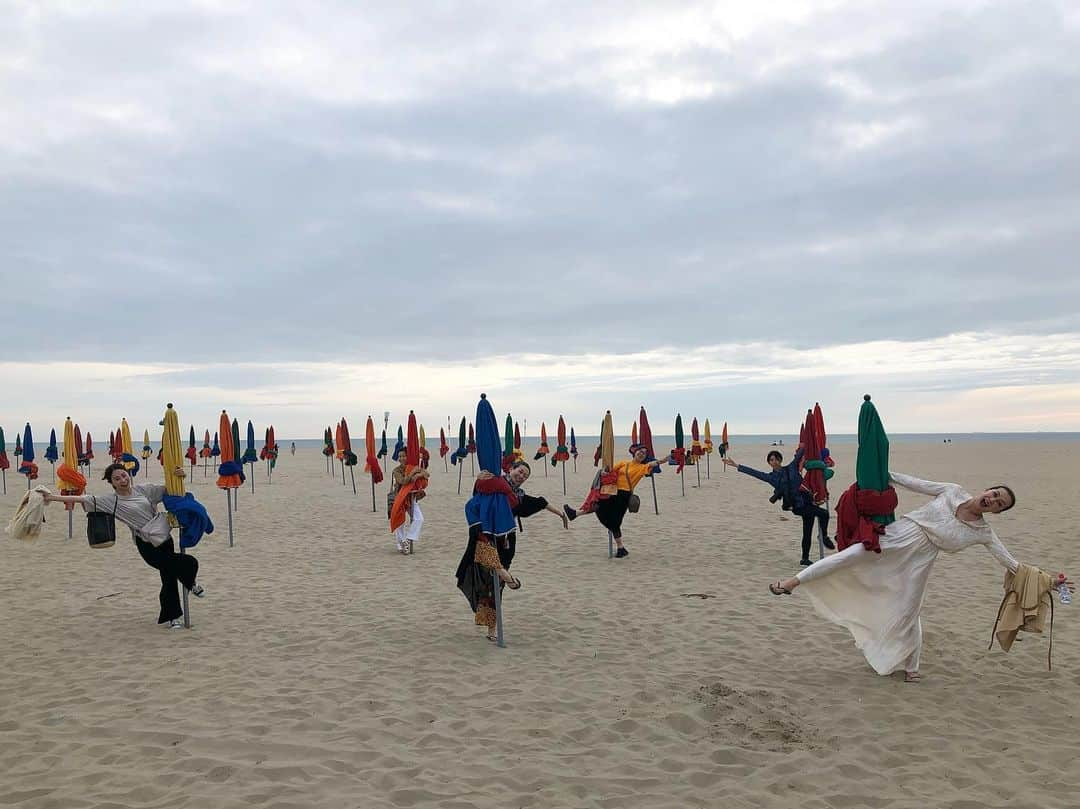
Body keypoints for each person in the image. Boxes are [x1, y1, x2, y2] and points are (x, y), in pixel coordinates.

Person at [767, 472, 1074, 682]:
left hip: (921, 560)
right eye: (994, 494)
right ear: (986, 490)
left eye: (999, 504)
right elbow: (916, 483)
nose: (993, 500)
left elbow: (1012, 564)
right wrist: (883, 472)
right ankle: (793, 582)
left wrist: (1051, 581)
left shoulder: (983, 533)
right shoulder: (952, 491)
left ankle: (911, 667)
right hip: (899, 535)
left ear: (997, 512)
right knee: (848, 558)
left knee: (909, 609)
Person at [43, 462, 204, 628]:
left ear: (129, 475)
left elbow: (171, 490)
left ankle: (173, 618)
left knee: (168, 578)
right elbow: (81, 498)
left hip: (164, 538)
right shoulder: (111, 501)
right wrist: (51, 498)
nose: (122, 480)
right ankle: (191, 584)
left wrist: (180, 476)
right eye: (117, 478)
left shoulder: (144, 490)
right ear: (112, 483)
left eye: (124, 476)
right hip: (147, 544)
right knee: (189, 562)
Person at [723, 448, 834, 565]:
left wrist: (808, 441)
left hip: (807, 501)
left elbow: (799, 455)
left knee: (807, 529)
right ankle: (824, 536)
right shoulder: (771, 478)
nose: (774, 461)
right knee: (824, 513)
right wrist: (737, 466)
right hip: (797, 506)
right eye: (771, 460)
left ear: (780, 460)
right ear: (769, 463)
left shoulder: (791, 467)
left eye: (776, 459)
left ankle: (804, 558)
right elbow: (755, 473)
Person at [563, 443, 665, 558]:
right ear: (634, 452)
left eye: (644, 453)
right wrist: (603, 473)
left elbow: (653, 463)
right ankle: (575, 514)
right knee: (598, 505)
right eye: (640, 451)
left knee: (615, 521)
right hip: (614, 492)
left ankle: (620, 548)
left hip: (624, 496)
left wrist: (665, 459)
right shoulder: (623, 463)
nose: (641, 454)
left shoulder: (642, 467)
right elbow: (610, 470)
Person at [455, 470, 523, 641]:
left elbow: (539, 503)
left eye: (525, 476)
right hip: (484, 539)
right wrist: (481, 480)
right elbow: (478, 498)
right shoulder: (485, 493)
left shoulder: (515, 495)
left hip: (505, 544)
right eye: (520, 471)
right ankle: (508, 578)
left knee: (494, 591)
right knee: (489, 577)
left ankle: (491, 631)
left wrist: (560, 514)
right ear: (512, 469)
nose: (521, 476)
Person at [389, 445, 428, 554]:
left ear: (408, 457)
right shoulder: (396, 470)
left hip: (411, 498)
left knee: (419, 518)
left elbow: (426, 474)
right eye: (400, 456)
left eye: (404, 456)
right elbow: (403, 481)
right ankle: (401, 543)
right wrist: (413, 474)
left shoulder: (413, 467)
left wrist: (418, 473)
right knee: (399, 522)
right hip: (400, 498)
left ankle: (408, 539)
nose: (401, 458)